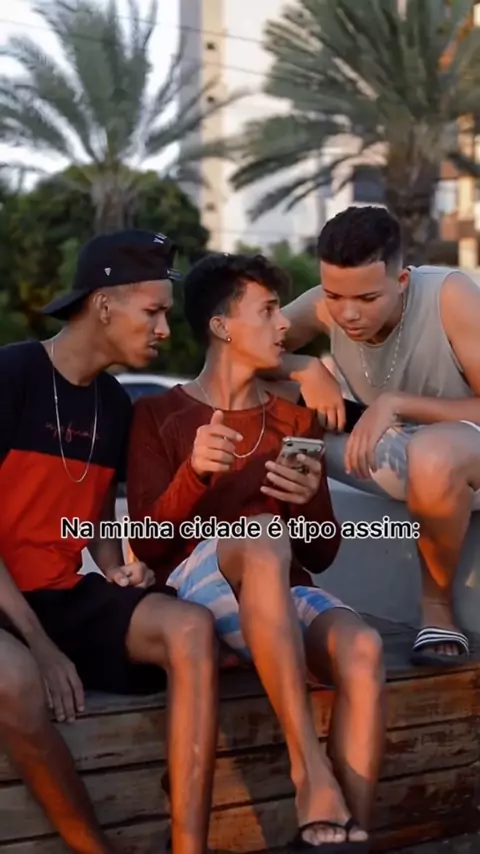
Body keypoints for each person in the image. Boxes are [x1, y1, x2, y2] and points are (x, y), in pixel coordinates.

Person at [127, 252, 385, 853]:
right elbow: (148, 544)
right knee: (262, 534)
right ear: (221, 326)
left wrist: (306, 500)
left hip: (276, 592)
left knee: (364, 648)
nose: (283, 324)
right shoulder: (159, 414)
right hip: (196, 592)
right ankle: (309, 771)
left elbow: (320, 555)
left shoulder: (293, 418)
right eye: (267, 310)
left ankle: (339, 838)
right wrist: (194, 474)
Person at [0, 230, 219, 854]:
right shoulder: (11, 374)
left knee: (190, 627)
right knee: (15, 681)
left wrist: (117, 564)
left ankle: (189, 845)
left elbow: (92, 514)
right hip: (7, 605)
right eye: (152, 312)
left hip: (59, 595)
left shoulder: (114, 403)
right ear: (103, 305)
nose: (163, 330)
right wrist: (41, 647)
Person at [270, 204, 480, 667]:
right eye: (334, 295)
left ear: (401, 281)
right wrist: (305, 368)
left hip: (464, 452)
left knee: (433, 453)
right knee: (268, 404)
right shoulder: (325, 305)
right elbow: (242, 349)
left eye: (367, 298)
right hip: (398, 453)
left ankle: (437, 607)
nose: (348, 314)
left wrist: (396, 403)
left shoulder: (450, 295)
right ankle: (264, 582)